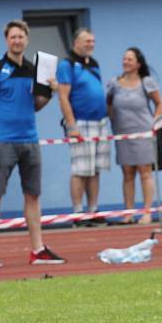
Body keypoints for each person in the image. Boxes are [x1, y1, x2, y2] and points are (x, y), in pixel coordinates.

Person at [0, 19, 66, 267]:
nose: (17, 40)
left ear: (27, 40)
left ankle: (37, 249)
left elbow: (35, 106)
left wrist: (51, 92)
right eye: (13, 37)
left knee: (33, 195)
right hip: (2, 142)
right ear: (7, 40)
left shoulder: (34, 70)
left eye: (21, 37)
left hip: (30, 140)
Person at [57, 27, 110, 226]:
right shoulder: (67, 64)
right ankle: (78, 212)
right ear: (76, 43)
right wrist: (72, 126)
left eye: (93, 41)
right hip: (81, 123)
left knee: (95, 169)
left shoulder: (94, 64)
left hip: (100, 122)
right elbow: (63, 96)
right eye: (87, 41)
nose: (91, 45)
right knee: (80, 169)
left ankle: (93, 210)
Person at [106, 47, 162, 225]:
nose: (126, 62)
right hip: (123, 133)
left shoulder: (146, 82)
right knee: (127, 173)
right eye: (124, 59)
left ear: (138, 63)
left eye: (130, 59)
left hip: (143, 132)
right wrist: (113, 122)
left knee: (145, 172)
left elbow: (159, 103)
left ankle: (147, 212)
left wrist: (154, 122)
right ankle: (128, 213)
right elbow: (108, 104)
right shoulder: (114, 83)